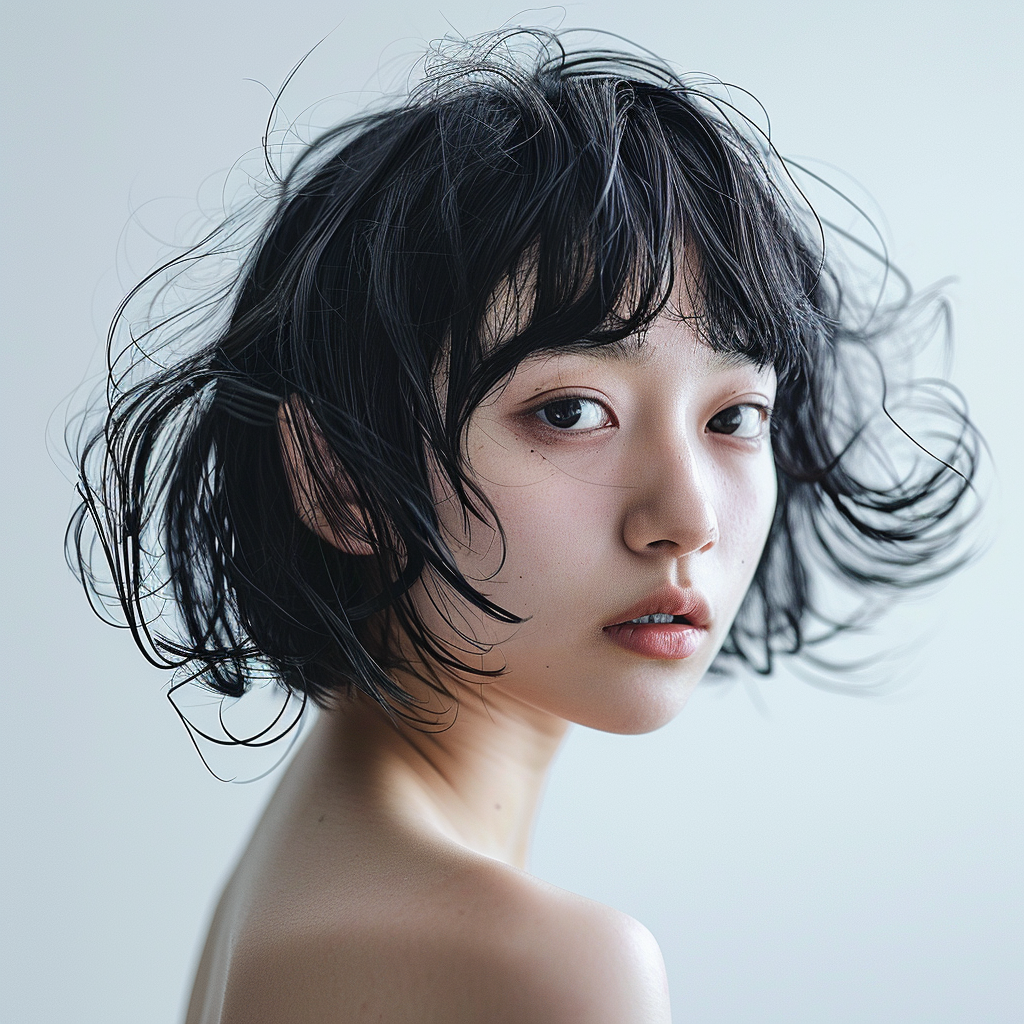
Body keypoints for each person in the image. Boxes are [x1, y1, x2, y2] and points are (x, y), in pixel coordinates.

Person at [68, 28, 979, 1023]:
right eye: (570, 411)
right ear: (337, 475)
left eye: (733, 417)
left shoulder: (299, 872)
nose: (685, 519)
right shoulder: (534, 965)